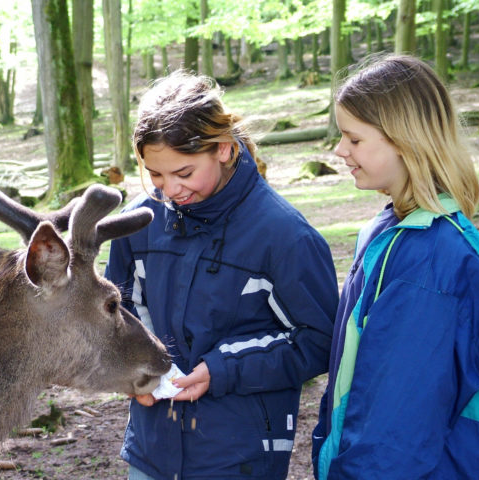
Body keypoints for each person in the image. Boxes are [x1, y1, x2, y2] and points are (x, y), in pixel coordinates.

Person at [104, 70, 339, 479]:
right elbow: (116, 313)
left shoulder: (284, 235)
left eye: (184, 173)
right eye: (155, 174)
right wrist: (127, 370)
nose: (169, 189)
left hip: (239, 455)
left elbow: (318, 341)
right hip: (151, 449)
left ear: (224, 150)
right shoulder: (136, 223)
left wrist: (222, 370)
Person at [312, 54, 479, 479]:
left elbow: (397, 429)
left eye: (353, 138)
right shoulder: (389, 232)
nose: (339, 149)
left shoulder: (429, 258)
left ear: (405, 140)